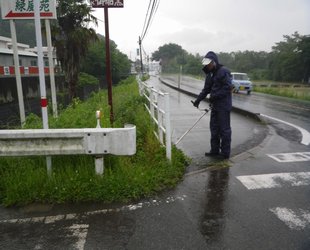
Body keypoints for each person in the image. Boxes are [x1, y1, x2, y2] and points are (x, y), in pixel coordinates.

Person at [193, 51, 232, 159]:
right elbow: (206, 89)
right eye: (206, 64)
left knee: (224, 130)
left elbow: (228, 88)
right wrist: (198, 100)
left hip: (223, 106)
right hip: (215, 106)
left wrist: (216, 96)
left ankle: (225, 153)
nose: (207, 66)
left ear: (214, 62)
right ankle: (214, 150)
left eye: (209, 64)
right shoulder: (210, 74)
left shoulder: (223, 71)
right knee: (214, 128)